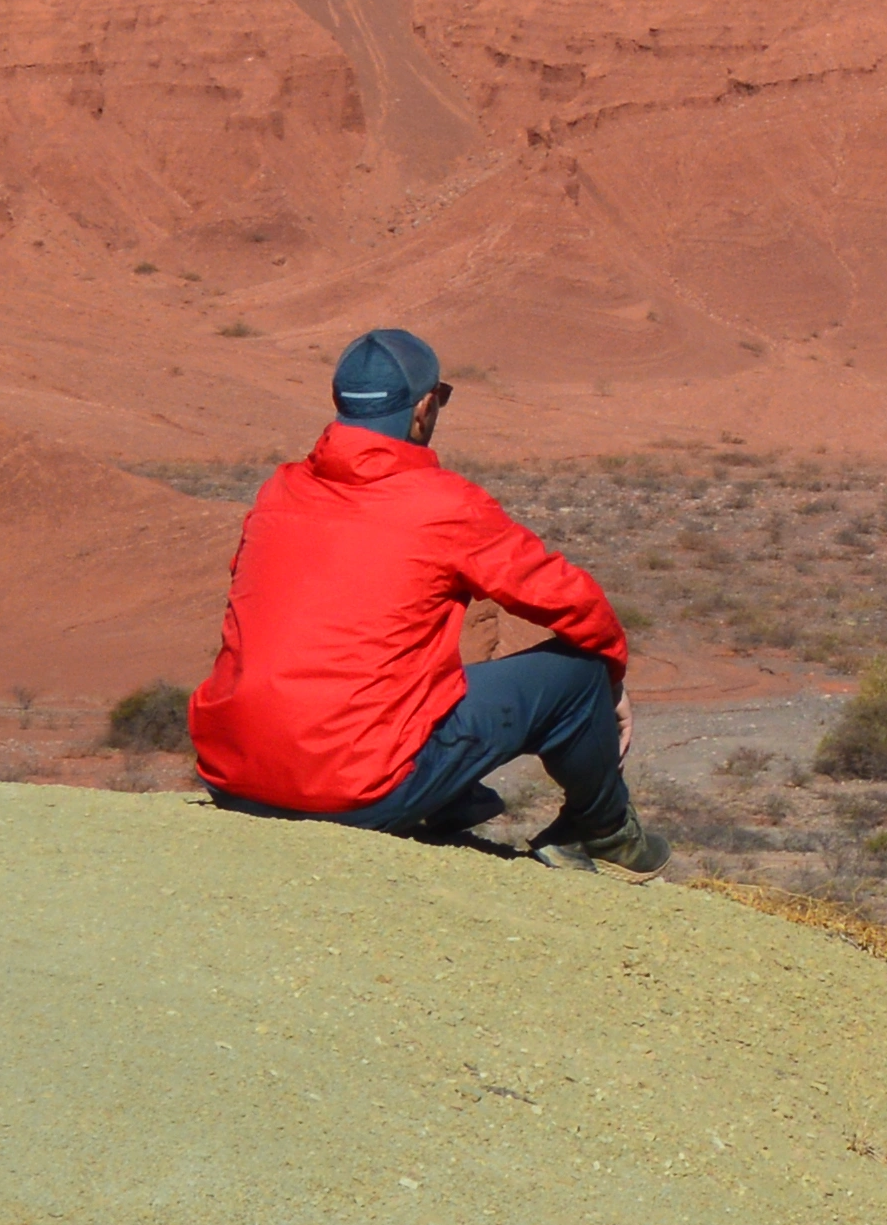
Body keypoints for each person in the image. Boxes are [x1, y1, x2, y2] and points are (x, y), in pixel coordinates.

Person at [187, 329, 665, 872]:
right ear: (422, 409)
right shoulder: (442, 505)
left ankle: (450, 797)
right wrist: (612, 678)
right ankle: (606, 833)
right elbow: (568, 600)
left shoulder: (279, 490)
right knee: (577, 673)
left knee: (400, 656)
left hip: (234, 777)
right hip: (356, 792)